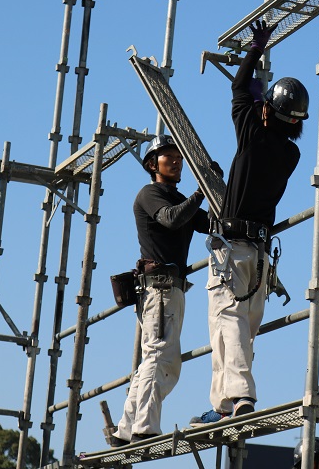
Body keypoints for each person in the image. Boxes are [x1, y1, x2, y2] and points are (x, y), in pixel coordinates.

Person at [190, 20, 309, 425]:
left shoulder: (251, 135)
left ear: (265, 113)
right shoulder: (289, 155)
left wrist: (257, 48)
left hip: (232, 248)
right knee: (232, 329)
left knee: (228, 321)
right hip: (259, 255)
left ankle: (240, 396)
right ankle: (223, 403)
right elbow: (256, 104)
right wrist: (262, 98)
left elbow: (240, 89)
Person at [109, 135, 211, 446]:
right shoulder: (150, 194)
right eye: (169, 157)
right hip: (161, 289)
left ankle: (125, 430)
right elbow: (171, 219)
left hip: (165, 290)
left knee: (152, 359)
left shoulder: (178, 199)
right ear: (153, 165)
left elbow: (211, 223)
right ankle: (145, 427)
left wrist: (220, 192)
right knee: (163, 359)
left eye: (179, 156)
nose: (177, 161)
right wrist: (200, 191)